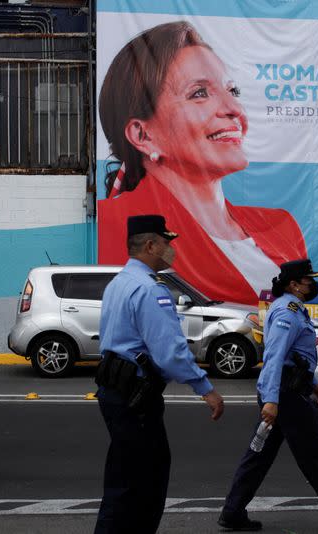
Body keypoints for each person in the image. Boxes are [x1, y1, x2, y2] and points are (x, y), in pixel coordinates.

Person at [97, 21, 306, 305]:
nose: (234, 109)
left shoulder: (281, 227)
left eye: (232, 91)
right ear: (143, 135)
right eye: (199, 93)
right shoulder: (120, 223)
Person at [94, 214, 225, 534]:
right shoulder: (152, 290)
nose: (170, 249)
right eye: (167, 243)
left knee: (122, 480)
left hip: (114, 391)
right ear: (150, 245)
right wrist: (204, 387)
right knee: (145, 485)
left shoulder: (119, 283)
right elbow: (170, 352)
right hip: (136, 397)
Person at [219, 259, 318, 531]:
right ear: (294, 285)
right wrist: (272, 401)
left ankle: (232, 511)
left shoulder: (294, 309)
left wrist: (315, 382)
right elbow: (274, 357)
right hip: (286, 396)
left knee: (258, 454)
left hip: (287, 390)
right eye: (308, 280)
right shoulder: (288, 313)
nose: (313, 284)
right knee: (317, 457)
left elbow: (296, 357)